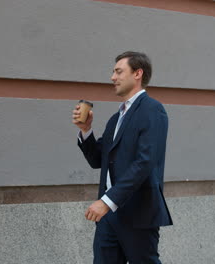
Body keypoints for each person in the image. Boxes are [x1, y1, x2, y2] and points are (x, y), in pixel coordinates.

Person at [72, 51, 173, 263]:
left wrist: (107, 201)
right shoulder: (115, 119)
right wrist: (86, 131)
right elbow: (97, 160)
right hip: (108, 217)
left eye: (119, 71)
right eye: (113, 72)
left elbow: (144, 163)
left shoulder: (153, 110)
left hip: (137, 214)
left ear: (138, 73)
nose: (112, 77)